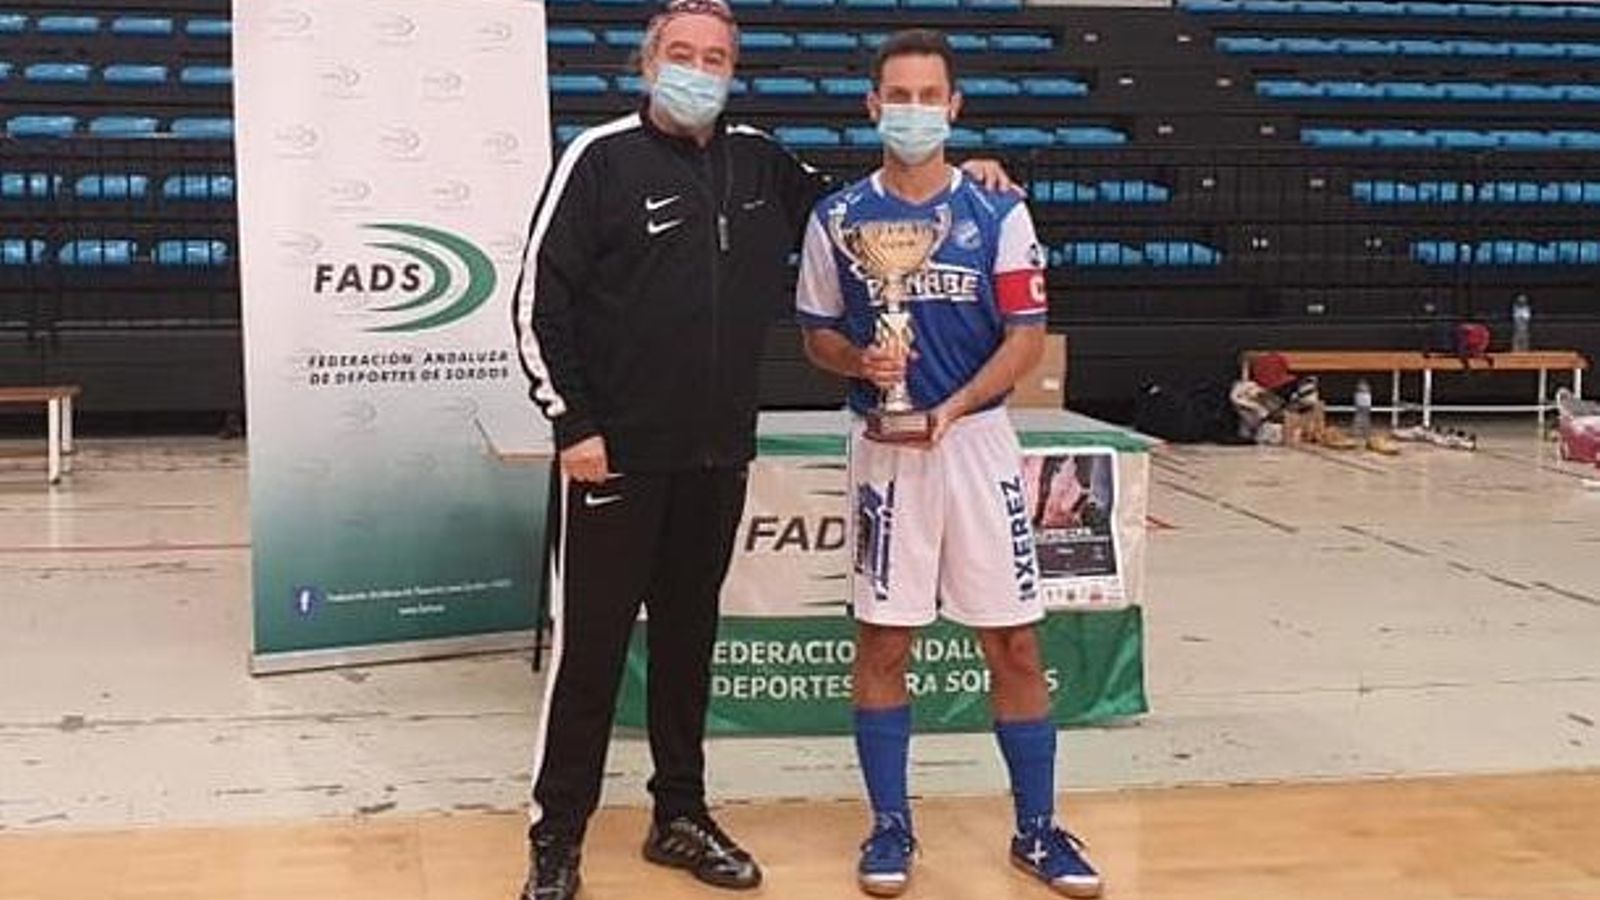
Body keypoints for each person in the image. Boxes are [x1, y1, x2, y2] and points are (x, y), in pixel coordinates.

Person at [511, 3, 1019, 897]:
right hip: (613, 459)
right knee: (588, 657)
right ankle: (557, 837)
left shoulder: (759, 163)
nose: (698, 71)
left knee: (685, 646)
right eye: (682, 55)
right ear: (647, 65)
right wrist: (573, 425)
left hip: (715, 458)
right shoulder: (597, 160)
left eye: (715, 58)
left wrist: (963, 180)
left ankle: (680, 815)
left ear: (732, 72)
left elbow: (865, 216)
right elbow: (535, 304)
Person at [794, 29, 1104, 899]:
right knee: (884, 637)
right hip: (885, 448)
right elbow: (817, 334)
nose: (914, 109)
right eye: (899, 94)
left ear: (955, 108)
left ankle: (1038, 831)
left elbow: (1027, 340)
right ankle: (891, 826)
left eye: (931, 96)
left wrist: (952, 408)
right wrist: (862, 365)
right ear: (872, 106)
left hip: (975, 444)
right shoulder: (839, 218)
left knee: (1011, 638)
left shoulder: (998, 211)